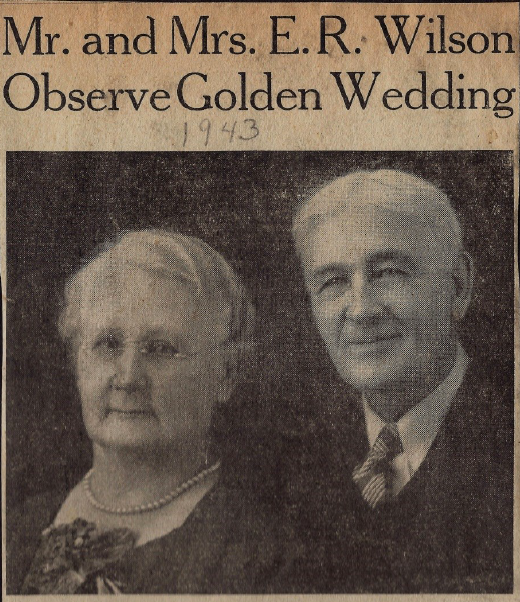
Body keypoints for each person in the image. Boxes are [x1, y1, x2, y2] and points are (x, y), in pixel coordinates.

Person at [7, 229, 288, 594]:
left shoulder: (260, 553)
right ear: (77, 363)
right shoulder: (18, 525)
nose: (127, 378)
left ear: (225, 375)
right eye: (107, 344)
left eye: (160, 349)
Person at [289, 169, 513, 592]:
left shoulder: (507, 443)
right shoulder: (292, 461)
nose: (360, 310)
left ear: (459, 286)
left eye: (388, 272)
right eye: (334, 282)